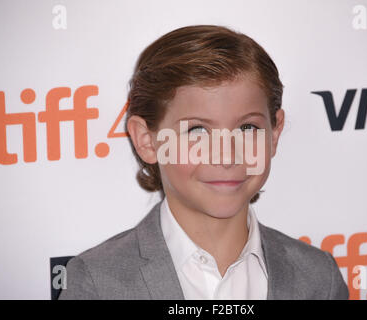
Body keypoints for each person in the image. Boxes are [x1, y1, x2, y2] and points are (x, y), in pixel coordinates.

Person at [59, 25, 349, 300]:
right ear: (147, 141)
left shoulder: (318, 277)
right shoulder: (98, 281)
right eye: (197, 131)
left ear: (274, 134)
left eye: (247, 128)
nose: (226, 156)